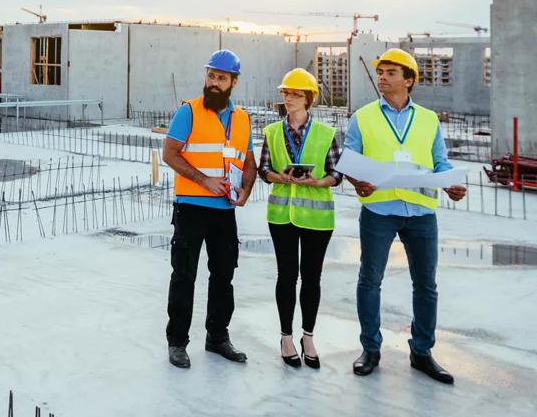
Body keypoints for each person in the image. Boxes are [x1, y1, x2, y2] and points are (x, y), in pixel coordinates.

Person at [342, 49, 467, 383]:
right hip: (379, 210)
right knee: (370, 280)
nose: (381, 76)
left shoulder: (428, 119)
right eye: (380, 71)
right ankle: (370, 348)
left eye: (390, 72)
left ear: (409, 80)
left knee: (426, 285)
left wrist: (452, 183)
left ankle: (422, 351)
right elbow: (349, 158)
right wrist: (358, 182)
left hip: (420, 213)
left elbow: (439, 162)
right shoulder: (363, 117)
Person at [162, 49, 257, 369]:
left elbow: (248, 163)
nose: (214, 82)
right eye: (211, 76)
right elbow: (170, 154)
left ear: (233, 82)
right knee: (184, 275)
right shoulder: (188, 111)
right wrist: (203, 180)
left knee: (224, 275)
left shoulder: (242, 118)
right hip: (191, 206)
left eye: (221, 78)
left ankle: (217, 337)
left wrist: (246, 190)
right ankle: (177, 342)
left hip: (224, 209)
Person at [257, 69, 341, 369]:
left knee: (312, 278)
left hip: (317, 219)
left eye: (295, 94)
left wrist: (318, 182)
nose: (288, 99)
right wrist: (276, 176)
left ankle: (308, 336)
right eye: (286, 93)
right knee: (286, 275)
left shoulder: (325, 134)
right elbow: (263, 169)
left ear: (308, 98)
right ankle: (286, 337)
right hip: (282, 216)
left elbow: (336, 173)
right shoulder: (271, 132)